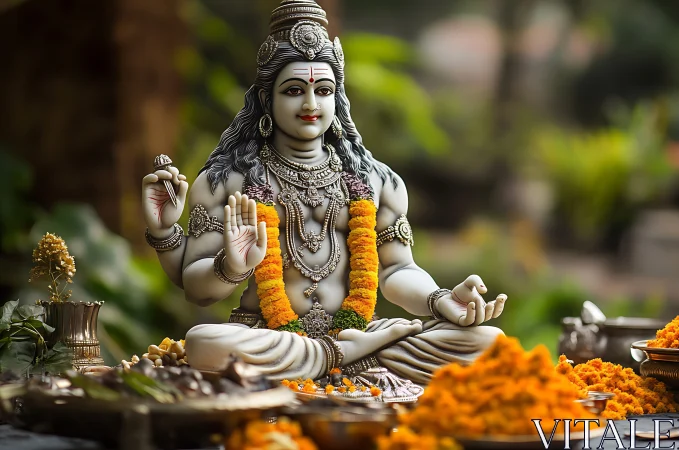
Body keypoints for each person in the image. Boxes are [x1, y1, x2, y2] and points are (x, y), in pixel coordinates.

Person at [141, 0, 507, 385]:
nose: (311, 104)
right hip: (271, 334)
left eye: (325, 89)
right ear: (267, 99)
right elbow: (198, 291)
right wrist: (230, 266)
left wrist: (439, 299)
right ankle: (346, 356)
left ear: (338, 97)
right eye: (295, 90)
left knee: (488, 343)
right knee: (205, 342)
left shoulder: (377, 180)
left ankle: (346, 352)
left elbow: (399, 269)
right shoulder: (228, 181)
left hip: (362, 329)